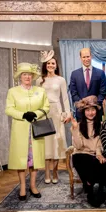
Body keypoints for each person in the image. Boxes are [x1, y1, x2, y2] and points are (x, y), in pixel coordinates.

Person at [5, 62, 50, 201]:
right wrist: (23, 115)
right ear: (20, 76)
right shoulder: (13, 91)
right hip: (20, 130)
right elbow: (9, 109)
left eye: (29, 74)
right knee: (21, 161)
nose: (27, 77)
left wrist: (35, 113)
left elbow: (46, 107)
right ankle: (23, 187)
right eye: (24, 74)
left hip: (36, 130)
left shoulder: (40, 91)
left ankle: (33, 185)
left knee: (34, 160)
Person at [36, 50, 71, 184]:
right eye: (48, 63)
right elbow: (36, 98)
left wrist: (67, 113)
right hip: (43, 112)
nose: (51, 65)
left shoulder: (61, 79)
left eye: (53, 63)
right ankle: (46, 172)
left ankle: (55, 171)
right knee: (46, 142)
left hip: (56, 112)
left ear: (56, 65)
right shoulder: (39, 80)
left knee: (56, 142)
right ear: (45, 64)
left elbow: (65, 98)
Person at [71, 95, 106, 207]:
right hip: (80, 154)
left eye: (93, 110)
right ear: (84, 112)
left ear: (96, 111)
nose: (90, 112)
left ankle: (99, 189)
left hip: (94, 154)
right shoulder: (77, 126)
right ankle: (89, 189)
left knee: (103, 163)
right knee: (86, 160)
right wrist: (74, 129)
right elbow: (78, 146)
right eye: (87, 110)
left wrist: (99, 154)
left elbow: (99, 144)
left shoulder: (101, 125)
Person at [69, 47, 106, 121]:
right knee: (81, 133)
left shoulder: (100, 73)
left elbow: (102, 92)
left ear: (91, 56)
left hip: (96, 112)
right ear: (80, 58)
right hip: (81, 112)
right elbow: (73, 93)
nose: (86, 59)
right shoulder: (74, 74)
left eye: (88, 56)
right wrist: (83, 105)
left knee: (97, 132)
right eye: (84, 57)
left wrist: (93, 106)